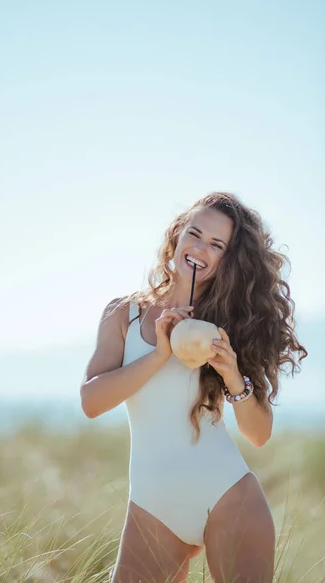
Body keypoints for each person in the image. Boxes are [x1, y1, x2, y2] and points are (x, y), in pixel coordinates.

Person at [80, 192, 307, 583]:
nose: (201, 249)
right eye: (195, 233)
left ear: (228, 260)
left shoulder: (232, 325)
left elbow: (259, 435)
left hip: (228, 496)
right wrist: (158, 355)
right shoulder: (125, 314)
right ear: (177, 234)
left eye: (216, 245)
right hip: (152, 508)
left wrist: (234, 375)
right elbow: (91, 402)